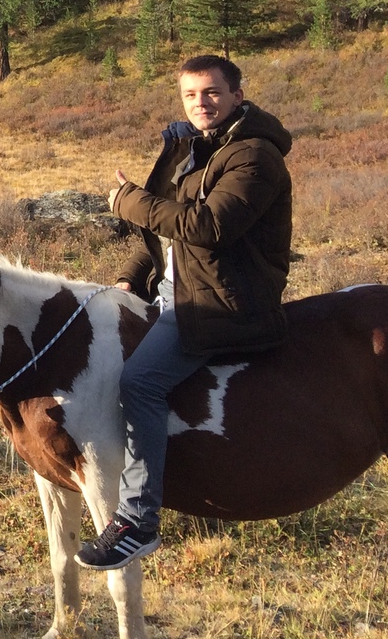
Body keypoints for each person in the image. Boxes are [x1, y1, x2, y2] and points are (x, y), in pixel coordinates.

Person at [75, 54, 294, 570]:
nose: (202, 103)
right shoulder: (199, 149)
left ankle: (138, 520)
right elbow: (170, 237)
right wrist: (133, 273)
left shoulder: (255, 156)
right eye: (191, 95)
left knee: (139, 384)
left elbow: (207, 227)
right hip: (180, 290)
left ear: (238, 95)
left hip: (220, 303)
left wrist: (129, 202)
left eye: (212, 92)